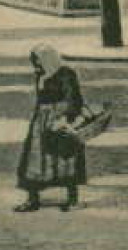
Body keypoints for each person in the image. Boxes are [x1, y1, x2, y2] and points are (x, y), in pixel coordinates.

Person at [15, 44, 87, 213]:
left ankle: (72, 200)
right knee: (34, 159)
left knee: (66, 159)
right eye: (35, 62)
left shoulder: (66, 74)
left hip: (61, 120)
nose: (37, 66)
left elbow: (74, 98)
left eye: (38, 61)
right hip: (41, 122)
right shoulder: (40, 75)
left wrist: (66, 118)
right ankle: (32, 199)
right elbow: (41, 100)